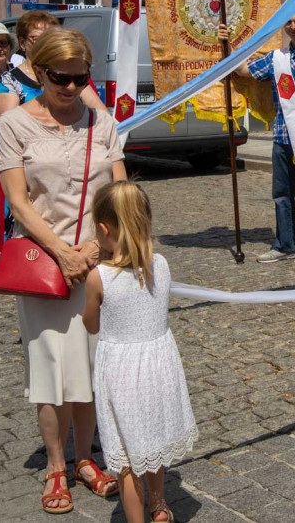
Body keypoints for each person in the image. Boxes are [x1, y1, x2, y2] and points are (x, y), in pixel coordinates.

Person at [0, 27, 127, 514]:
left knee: (92, 368)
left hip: (97, 263)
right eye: (60, 78)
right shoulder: (15, 124)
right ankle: (55, 466)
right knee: (51, 370)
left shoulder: (101, 122)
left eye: (80, 77)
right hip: (44, 266)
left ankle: (84, 458)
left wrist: (95, 248)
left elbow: (119, 191)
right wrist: (62, 252)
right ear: (40, 72)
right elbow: (18, 201)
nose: (71, 88)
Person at [82, 181, 197, 523]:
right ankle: (159, 504)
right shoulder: (159, 265)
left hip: (121, 372)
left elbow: (91, 325)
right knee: (154, 441)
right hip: (159, 367)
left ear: (104, 229)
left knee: (126, 460)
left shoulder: (99, 277)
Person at [219, 6, 295, 263]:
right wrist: (228, 44)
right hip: (283, 136)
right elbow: (245, 70)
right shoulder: (276, 58)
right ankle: (285, 245)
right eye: (289, 22)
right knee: (282, 193)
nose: (293, 26)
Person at [0, 10, 106, 120]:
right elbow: (11, 128)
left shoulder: (72, 76)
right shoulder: (9, 82)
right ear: (22, 43)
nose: (46, 44)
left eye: (51, 39)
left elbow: (103, 117)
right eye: (37, 39)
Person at [0, 22, 15, 263]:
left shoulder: (18, 72)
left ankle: (9, 257)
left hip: (14, 156)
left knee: (8, 213)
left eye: (3, 43)